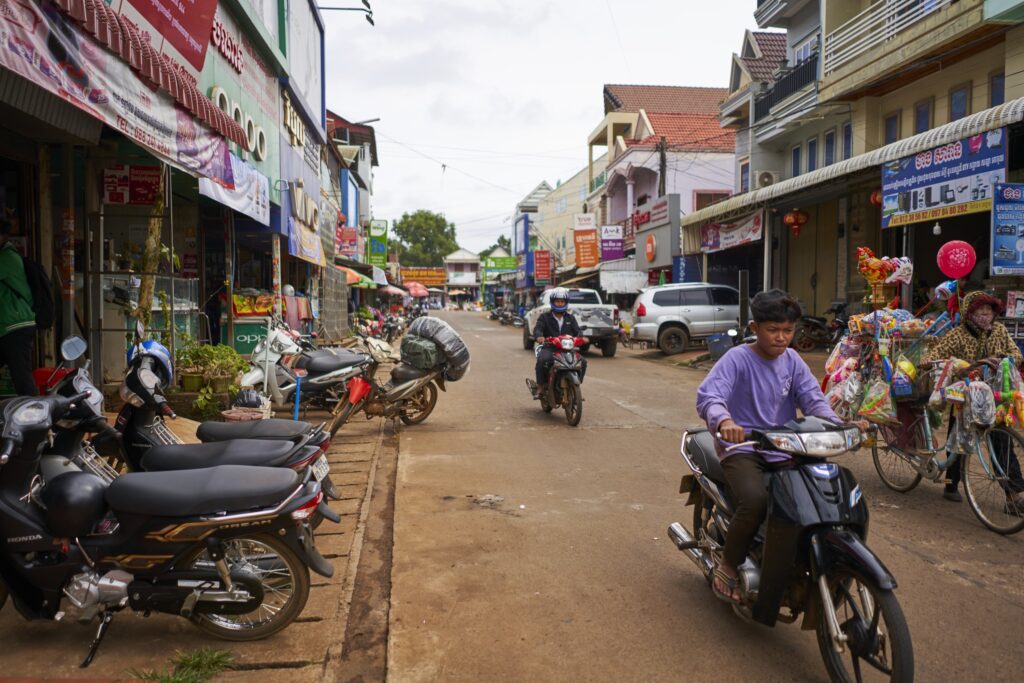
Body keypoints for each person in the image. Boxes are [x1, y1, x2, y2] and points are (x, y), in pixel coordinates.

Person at [695, 289, 847, 603]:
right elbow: (710, 396)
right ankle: (729, 564)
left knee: (816, 495)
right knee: (754, 500)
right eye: (773, 330)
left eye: (788, 331)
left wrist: (840, 425)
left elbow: (813, 400)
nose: (781, 338)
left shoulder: (792, 360)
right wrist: (724, 422)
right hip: (743, 449)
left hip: (786, 447)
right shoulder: (737, 358)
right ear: (755, 328)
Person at [924, 289, 1024, 508]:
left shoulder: (998, 330)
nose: (985, 314)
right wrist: (957, 367)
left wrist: (1002, 361)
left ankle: (1014, 494)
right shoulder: (958, 334)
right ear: (969, 313)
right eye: (980, 310)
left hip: (994, 395)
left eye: (988, 310)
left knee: (1001, 441)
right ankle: (951, 483)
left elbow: (1016, 353)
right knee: (957, 437)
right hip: (964, 395)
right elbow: (934, 356)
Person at [0, 220, 37, 395]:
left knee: (22, 377)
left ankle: (36, 416)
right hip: (6, 326)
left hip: (16, 325)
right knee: (21, 376)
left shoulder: (7, 258)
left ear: (3, 236)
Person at [532, 287, 582, 399]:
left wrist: (582, 338)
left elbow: (577, 331)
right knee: (542, 360)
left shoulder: (570, 318)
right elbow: (538, 328)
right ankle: (540, 387)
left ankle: (575, 385)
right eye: (557, 301)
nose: (560, 304)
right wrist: (539, 336)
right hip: (550, 347)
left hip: (567, 349)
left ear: (566, 303)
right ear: (552, 302)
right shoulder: (545, 317)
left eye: (562, 301)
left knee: (582, 362)